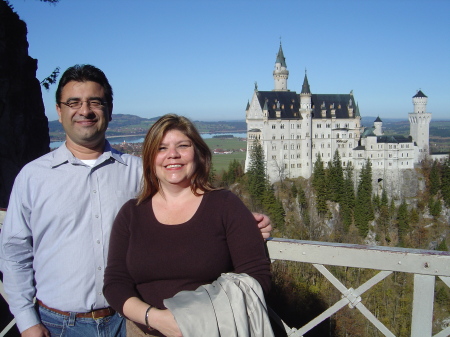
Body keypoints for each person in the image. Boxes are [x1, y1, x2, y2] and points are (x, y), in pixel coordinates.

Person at [0, 64, 272, 337]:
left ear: (109, 109)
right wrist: (27, 322)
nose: (84, 110)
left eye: (95, 102)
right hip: (57, 325)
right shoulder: (34, 177)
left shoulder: (139, 170)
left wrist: (242, 227)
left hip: (126, 323)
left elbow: (186, 201)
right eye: (74, 102)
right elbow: (14, 253)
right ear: (59, 111)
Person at [103, 114, 272, 337]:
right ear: (150, 158)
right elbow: (115, 283)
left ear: (198, 154)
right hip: (144, 332)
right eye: (161, 148)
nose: (172, 154)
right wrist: (154, 318)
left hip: (213, 331)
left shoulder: (224, 206)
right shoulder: (131, 214)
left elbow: (256, 279)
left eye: (183, 145)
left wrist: (192, 320)